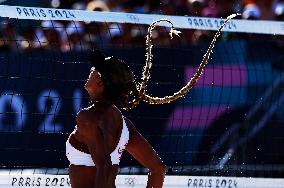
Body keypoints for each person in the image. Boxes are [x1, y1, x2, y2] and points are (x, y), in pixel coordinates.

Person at [66, 49, 166, 188]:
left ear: (100, 82)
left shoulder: (88, 118)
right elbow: (158, 169)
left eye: (94, 70)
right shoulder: (125, 124)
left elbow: (105, 167)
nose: (91, 70)